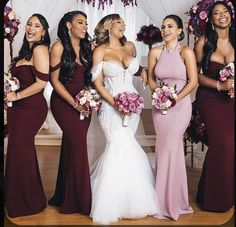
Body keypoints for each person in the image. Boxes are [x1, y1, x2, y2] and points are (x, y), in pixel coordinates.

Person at [90, 13, 160, 224]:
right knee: (116, 145)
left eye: (123, 22)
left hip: (133, 105)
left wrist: (146, 71)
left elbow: (136, 70)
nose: (123, 25)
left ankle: (132, 198)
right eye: (118, 22)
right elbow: (98, 83)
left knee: (129, 145)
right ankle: (110, 202)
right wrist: (116, 104)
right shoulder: (100, 50)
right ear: (108, 26)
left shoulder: (130, 46)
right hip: (110, 106)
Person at [147, 14, 198, 220]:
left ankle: (173, 202)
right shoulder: (155, 52)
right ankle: (162, 200)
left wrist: (174, 99)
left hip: (180, 106)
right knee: (163, 149)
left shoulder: (186, 51)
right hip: (160, 107)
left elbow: (193, 81)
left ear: (179, 30)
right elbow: (151, 79)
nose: (165, 30)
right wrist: (158, 94)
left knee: (171, 147)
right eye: (163, 26)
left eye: (170, 26)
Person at [5, 14, 50, 218]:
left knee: (18, 150)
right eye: (29, 24)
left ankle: (25, 203)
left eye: (37, 26)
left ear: (43, 32)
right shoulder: (26, 52)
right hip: (16, 108)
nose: (31, 28)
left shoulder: (40, 49)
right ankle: (29, 199)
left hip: (31, 108)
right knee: (19, 151)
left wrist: (17, 94)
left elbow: (41, 83)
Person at [47, 11, 93, 214]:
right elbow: (54, 81)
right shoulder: (58, 46)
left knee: (71, 147)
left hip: (84, 104)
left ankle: (63, 195)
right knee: (79, 147)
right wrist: (75, 104)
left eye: (86, 23)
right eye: (80, 22)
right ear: (68, 25)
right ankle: (81, 202)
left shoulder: (87, 46)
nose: (84, 26)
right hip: (64, 103)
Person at [194, 1, 234, 212]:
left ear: (231, 15)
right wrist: (220, 84)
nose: (221, 16)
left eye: (225, 12)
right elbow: (195, 76)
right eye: (216, 13)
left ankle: (214, 192)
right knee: (222, 143)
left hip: (233, 99)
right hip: (210, 98)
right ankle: (215, 200)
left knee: (230, 145)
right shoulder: (204, 42)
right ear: (210, 19)